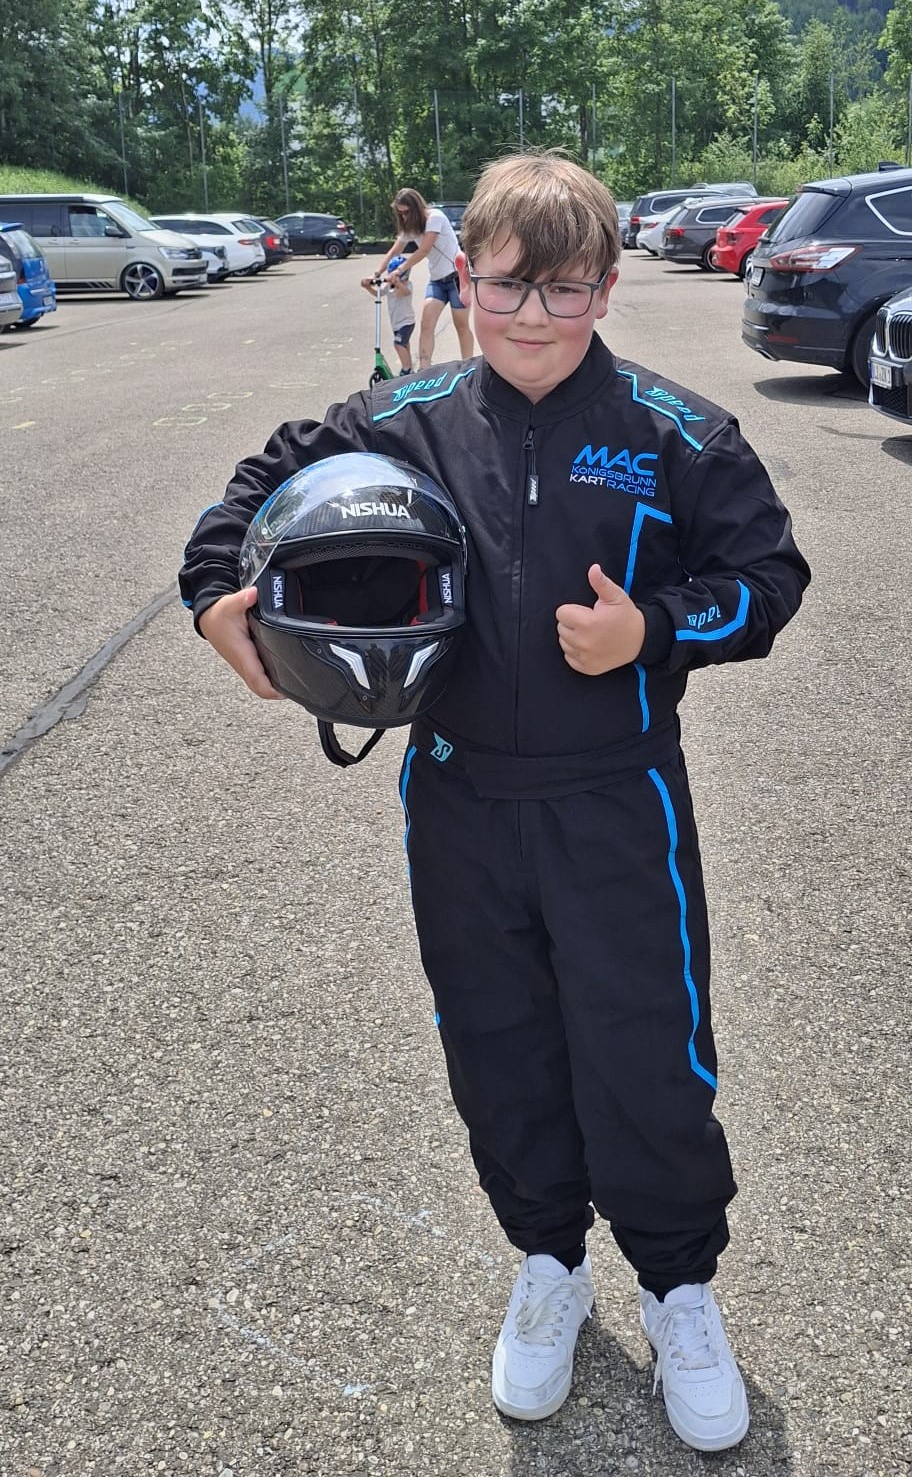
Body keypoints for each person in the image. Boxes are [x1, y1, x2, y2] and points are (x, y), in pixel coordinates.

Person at [179, 152, 810, 1455]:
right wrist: (212, 600)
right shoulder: (399, 417)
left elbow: (768, 578)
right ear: (466, 277)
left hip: (618, 800)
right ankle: (548, 1260)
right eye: (511, 286)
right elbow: (252, 495)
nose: (534, 315)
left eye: (566, 289)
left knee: (647, 1047)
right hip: (461, 799)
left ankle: (679, 1285)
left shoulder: (679, 433)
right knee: (498, 1038)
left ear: (608, 287)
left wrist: (654, 632)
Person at [372, 188, 474, 369]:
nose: (404, 217)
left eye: (406, 212)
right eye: (400, 213)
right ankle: (423, 371)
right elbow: (395, 250)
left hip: (456, 277)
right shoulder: (411, 228)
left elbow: (424, 249)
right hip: (437, 280)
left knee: (461, 325)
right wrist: (377, 273)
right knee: (426, 323)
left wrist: (400, 270)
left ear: (416, 208)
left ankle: (468, 367)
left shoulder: (435, 218)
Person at [360, 254, 415, 374]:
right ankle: (409, 367)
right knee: (404, 345)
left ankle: (406, 369)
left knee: (398, 344)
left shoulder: (407, 285)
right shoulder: (388, 286)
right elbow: (378, 293)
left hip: (407, 322)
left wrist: (398, 283)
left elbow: (404, 293)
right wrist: (368, 287)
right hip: (396, 323)